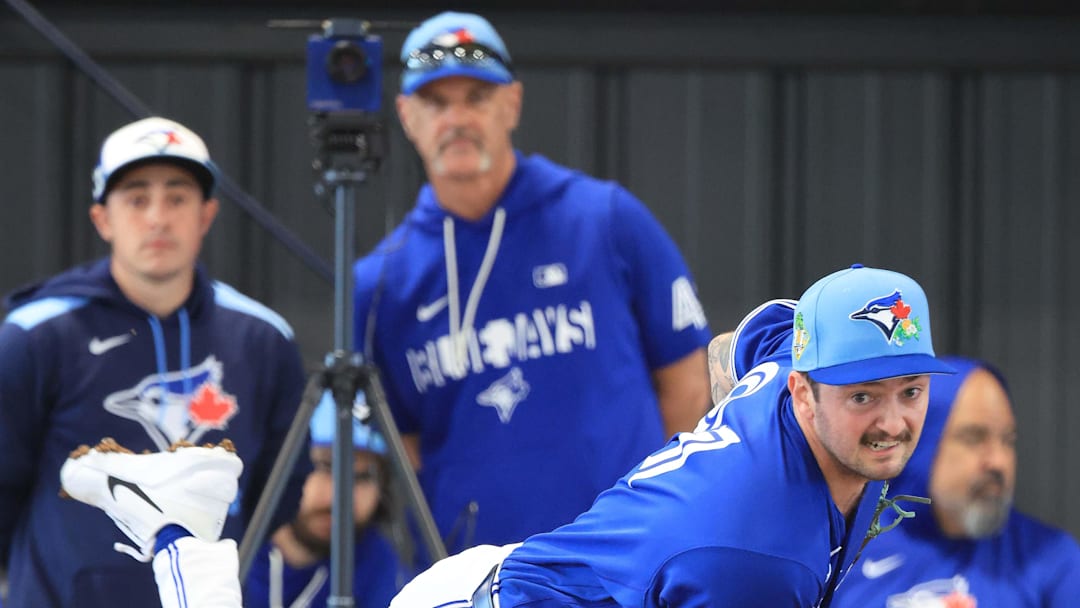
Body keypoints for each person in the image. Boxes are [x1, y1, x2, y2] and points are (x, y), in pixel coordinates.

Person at [59, 264, 954, 607]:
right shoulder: (755, 558)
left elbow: (756, 335)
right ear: (805, 390)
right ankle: (177, 529)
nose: (893, 419)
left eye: (910, 390)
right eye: (862, 394)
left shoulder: (782, 372)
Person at [351, 10, 712, 554]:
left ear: (512, 103)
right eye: (436, 102)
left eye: (477, 97)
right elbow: (403, 445)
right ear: (406, 115)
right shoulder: (380, 282)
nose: (457, 119)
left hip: (623, 559)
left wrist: (658, 519)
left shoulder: (605, 219)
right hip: (474, 576)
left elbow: (690, 383)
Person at [0, 116, 309, 607]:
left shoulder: (263, 338)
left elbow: (279, 490)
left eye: (178, 197)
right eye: (137, 198)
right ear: (102, 218)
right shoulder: (35, 333)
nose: (158, 218)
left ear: (207, 214)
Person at [832, 356, 1080, 607]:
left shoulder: (1050, 557)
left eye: (1007, 440)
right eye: (974, 437)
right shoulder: (845, 553)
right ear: (922, 443)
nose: (998, 462)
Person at [243, 395, 411, 607]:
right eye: (325, 466)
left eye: (363, 477)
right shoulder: (231, 549)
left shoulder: (380, 567)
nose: (341, 495)